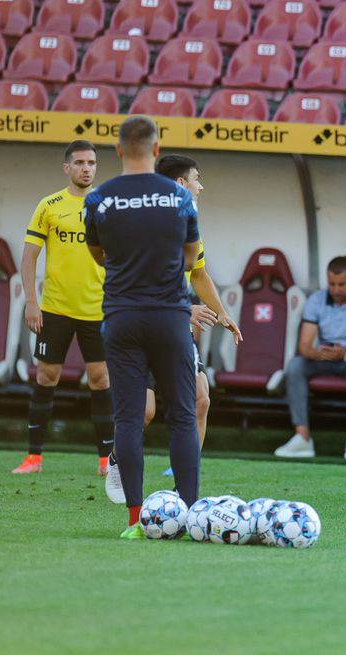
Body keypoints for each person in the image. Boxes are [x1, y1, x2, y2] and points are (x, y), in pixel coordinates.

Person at [83, 116, 202, 539]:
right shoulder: (180, 196)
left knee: (129, 419)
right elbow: (191, 257)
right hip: (171, 315)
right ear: (156, 150)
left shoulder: (98, 198)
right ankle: (188, 517)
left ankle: (136, 521)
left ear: (117, 150)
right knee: (183, 416)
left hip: (120, 316)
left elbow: (99, 254)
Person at [115, 154, 242, 495]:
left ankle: (180, 487)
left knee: (202, 399)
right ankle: (119, 455)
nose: (201, 185)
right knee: (143, 413)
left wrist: (222, 312)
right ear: (181, 184)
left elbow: (198, 274)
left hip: (175, 332)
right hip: (143, 329)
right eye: (196, 178)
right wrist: (186, 310)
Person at [13, 140, 113, 476]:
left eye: (92, 163)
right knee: (46, 375)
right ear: (67, 167)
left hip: (97, 310)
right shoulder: (49, 205)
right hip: (55, 308)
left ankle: (105, 461)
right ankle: (33, 458)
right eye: (80, 162)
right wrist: (31, 302)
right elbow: (29, 256)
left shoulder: (108, 205)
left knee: (100, 379)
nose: (87, 168)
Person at [274, 257, 346, 461]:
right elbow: (304, 346)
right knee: (295, 365)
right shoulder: (316, 300)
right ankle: (302, 437)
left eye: (341, 284)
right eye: (332, 284)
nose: (336, 289)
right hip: (323, 358)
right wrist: (318, 352)